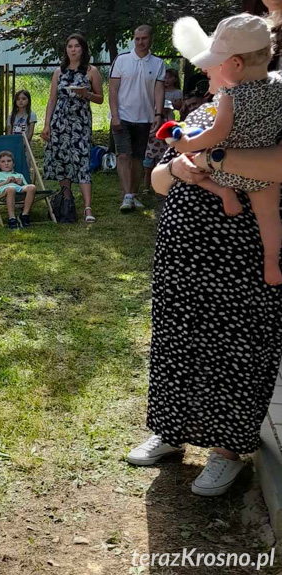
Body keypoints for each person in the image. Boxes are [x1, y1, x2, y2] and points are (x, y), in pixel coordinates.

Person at [129, 62, 282, 498]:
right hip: (183, 257)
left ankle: (226, 451)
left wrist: (214, 159)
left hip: (239, 257)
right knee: (177, 339)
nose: (208, 76)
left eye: (213, 68)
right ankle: (171, 430)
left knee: (235, 346)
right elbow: (159, 179)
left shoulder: (272, 113)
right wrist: (178, 170)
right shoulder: (201, 113)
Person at [170, 14, 282, 285]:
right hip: (264, 176)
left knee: (196, 167)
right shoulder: (278, 88)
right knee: (268, 215)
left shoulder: (230, 96)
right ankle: (271, 262)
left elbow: (216, 134)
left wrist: (186, 144)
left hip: (224, 171)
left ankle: (223, 193)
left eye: (220, 62)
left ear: (236, 63)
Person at [41, 33, 103, 224]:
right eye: (70, 46)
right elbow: (52, 99)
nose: (73, 49)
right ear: (66, 49)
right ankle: (67, 201)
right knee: (62, 160)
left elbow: (100, 98)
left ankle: (87, 207)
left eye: (77, 46)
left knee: (82, 160)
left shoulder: (91, 71)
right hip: (60, 122)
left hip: (80, 123)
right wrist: (47, 124)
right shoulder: (58, 72)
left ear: (83, 49)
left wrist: (87, 94)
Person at [109, 25, 166, 212]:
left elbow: (159, 90)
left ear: (150, 39)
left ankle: (133, 194)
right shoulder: (122, 60)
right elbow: (113, 89)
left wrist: (158, 114)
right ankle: (126, 195)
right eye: (137, 38)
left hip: (145, 118)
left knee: (138, 158)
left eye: (144, 38)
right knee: (123, 155)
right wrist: (115, 115)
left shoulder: (158, 63)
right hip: (122, 116)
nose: (140, 42)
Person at [0, 151, 37, 230]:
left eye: (9, 161)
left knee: (32, 187)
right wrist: (6, 182)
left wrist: (21, 183)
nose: (6, 163)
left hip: (19, 191)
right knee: (11, 189)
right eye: (3, 162)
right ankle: (12, 218)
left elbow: (25, 187)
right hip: (4, 193)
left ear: (13, 163)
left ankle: (24, 215)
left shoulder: (19, 175)